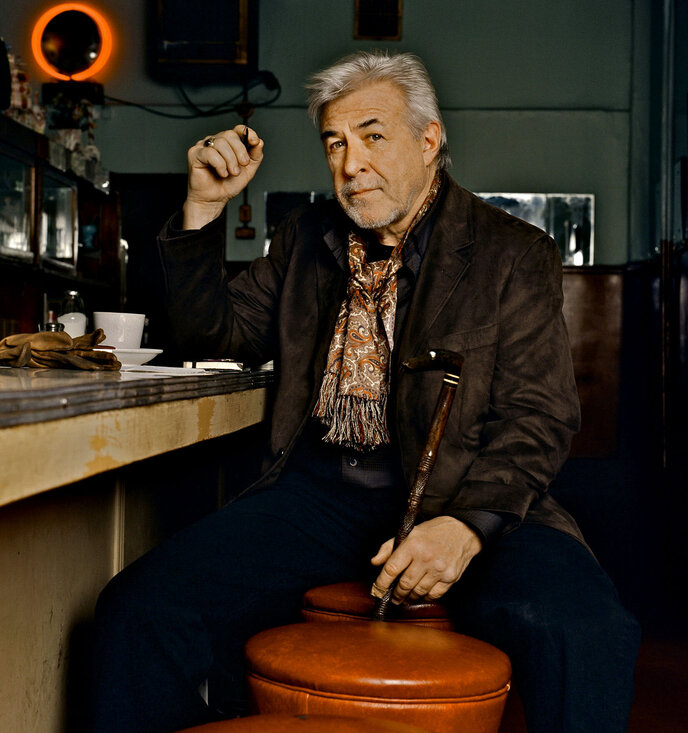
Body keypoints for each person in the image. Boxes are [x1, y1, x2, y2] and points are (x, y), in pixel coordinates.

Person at [92, 50, 640, 732]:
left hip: (467, 491)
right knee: (139, 608)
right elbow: (217, 332)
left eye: (373, 135)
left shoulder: (511, 251)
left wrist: (468, 525)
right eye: (335, 143)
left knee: (585, 629)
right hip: (321, 496)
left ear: (430, 139)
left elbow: (539, 416)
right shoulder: (306, 241)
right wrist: (204, 204)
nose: (351, 164)